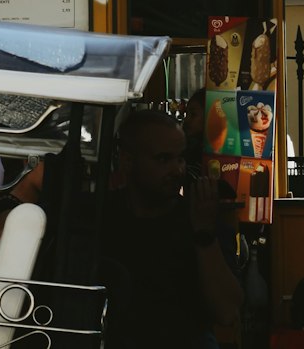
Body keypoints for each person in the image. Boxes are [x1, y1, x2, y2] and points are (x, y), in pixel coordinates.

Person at [101, 109, 243, 349]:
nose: (177, 170)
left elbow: (227, 312)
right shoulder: (105, 216)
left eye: (180, 158)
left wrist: (204, 234)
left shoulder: (198, 218)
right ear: (127, 161)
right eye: (163, 159)